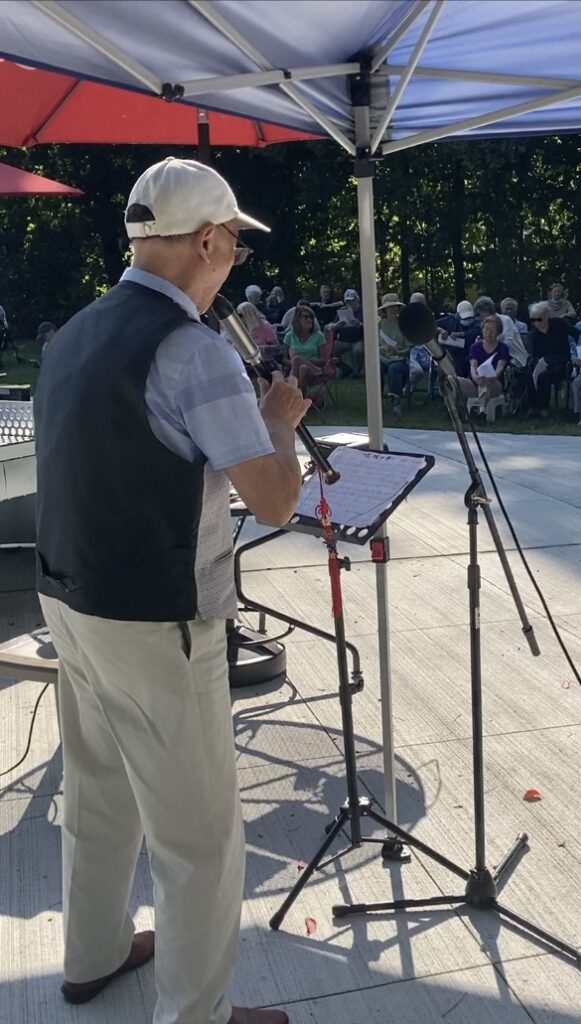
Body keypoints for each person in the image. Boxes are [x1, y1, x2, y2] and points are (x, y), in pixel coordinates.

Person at [33, 156, 304, 1024]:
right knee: (198, 835)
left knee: (97, 792)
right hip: (156, 614)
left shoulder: (75, 331)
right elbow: (274, 500)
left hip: (69, 596)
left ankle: (94, 954)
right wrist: (277, 425)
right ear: (210, 240)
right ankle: (195, 1014)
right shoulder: (194, 349)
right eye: (234, 248)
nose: (232, 264)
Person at [527, 301, 580, 417]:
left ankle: (543, 408)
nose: (536, 323)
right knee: (529, 373)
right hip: (542, 363)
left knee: (544, 376)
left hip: (562, 362)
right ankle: (532, 407)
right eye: (533, 320)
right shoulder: (534, 334)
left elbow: (578, 334)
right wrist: (538, 362)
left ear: (546, 316)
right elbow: (534, 354)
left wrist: (579, 352)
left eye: (539, 319)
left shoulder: (559, 324)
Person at [456, 314, 510, 420]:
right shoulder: (475, 347)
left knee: (485, 382)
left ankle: (482, 412)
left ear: (498, 332)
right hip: (474, 383)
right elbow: (473, 365)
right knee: (453, 381)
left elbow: (500, 367)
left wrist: (492, 377)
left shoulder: (503, 348)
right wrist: (475, 377)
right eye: (486, 329)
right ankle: (456, 410)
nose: (488, 332)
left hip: (494, 383)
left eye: (492, 330)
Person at [284, 302, 328, 400]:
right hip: (297, 370)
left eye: (311, 317)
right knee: (302, 368)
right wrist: (296, 363)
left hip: (315, 371)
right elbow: (284, 360)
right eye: (306, 317)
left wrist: (300, 360)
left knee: (297, 359)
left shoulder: (319, 336)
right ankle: (301, 400)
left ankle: (292, 396)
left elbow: (323, 360)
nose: (310, 320)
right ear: (297, 320)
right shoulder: (289, 336)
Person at [378, 292, 410, 414]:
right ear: (385, 310)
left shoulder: (404, 325)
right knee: (376, 367)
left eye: (395, 306)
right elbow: (372, 345)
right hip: (382, 358)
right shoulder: (379, 325)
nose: (393, 309)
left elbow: (409, 348)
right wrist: (382, 349)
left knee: (394, 368)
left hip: (400, 359)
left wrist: (397, 351)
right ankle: (377, 398)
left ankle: (395, 401)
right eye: (390, 307)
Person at [330, 287, 364, 376]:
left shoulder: (362, 311)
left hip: (357, 340)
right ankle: (346, 369)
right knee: (330, 351)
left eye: (352, 301)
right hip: (342, 340)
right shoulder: (342, 311)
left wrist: (359, 324)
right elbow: (333, 326)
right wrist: (338, 325)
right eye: (347, 301)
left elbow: (368, 326)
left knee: (359, 351)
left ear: (357, 300)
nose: (349, 303)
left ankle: (356, 372)